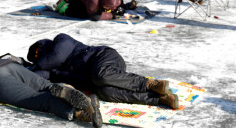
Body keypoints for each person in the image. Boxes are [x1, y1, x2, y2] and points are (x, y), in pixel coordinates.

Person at [27, 33, 181, 109]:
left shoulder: (61, 40)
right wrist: (24, 71)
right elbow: (35, 77)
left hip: (103, 58)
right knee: (106, 92)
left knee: (101, 75)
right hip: (96, 79)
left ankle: (150, 84)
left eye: (37, 56)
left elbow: (57, 57)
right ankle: (160, 98)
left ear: (41, 47)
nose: (38, 59)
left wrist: (36, 65)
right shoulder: (52, 70)